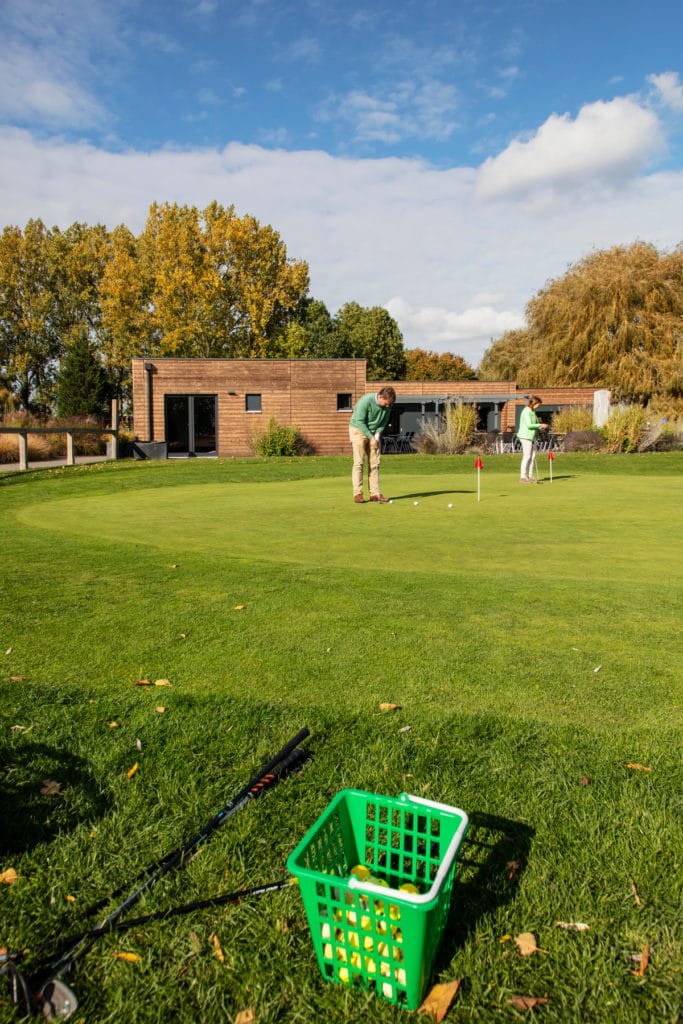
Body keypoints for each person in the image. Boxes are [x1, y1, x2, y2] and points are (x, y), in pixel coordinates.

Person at [349, 386, 396, 503]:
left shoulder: (388, 405)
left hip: (374, 432)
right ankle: (358, 494)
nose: (387, 406)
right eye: (386, 403)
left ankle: (375, 494)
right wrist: (371, 437)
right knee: (359, 462)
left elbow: (383, 422)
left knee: (375, 463)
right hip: (358, 430)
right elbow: (360, 421)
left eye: (389, 404)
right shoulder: (365, 401)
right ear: (380, 397)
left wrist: (376, 436)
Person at [517, 395, 547, 483]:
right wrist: (540, 425)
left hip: (532, 436)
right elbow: (529, 425)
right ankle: (523, 476)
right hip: (525, 436)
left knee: (533, 456)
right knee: (527, 456)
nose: (538, 406)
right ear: (534, 403)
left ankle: (530, 476)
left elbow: (536, 423)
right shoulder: (526, 411)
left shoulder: (533, 412)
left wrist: (540, 427)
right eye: (538, 404)